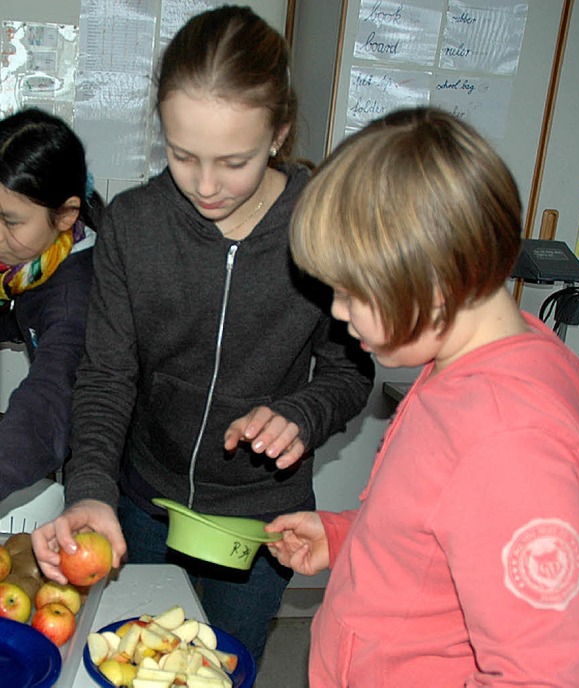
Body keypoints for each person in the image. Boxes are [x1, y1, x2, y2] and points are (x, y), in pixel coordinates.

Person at [31, 5, 373, 662]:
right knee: (140, 667)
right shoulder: (133, 224)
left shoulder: (324, 226)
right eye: (183, 155)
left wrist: (301, 414)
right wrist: (91, 491)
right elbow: (106, 374)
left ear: (279, 134)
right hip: (143, 500)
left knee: (222, 667)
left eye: (233, 160)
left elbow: (350, 371)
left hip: (258, 516)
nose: (207, 186)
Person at [265, 107, 579, 687]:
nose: (336, 312)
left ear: (435, 286)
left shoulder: (508, 443)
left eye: (350, 291)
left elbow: (536, 677)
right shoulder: (474, 362)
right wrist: (351, 538)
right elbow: (443, 518)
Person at [0, 108, 101, 502]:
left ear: (66, 213)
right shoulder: (41, 262)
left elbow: (50, 402)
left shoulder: (74, 296)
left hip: (123, 474)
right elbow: (16, 316)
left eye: (11, 221)